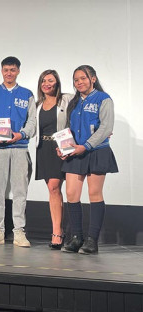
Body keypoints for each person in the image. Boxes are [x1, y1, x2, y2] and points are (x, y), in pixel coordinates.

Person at [60, 65, 118, 255]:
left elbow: (105, 128)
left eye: (83, 78)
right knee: (71, 194)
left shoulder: (104, 99)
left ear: (93, 78)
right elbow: (68, 128)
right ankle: (77, 238)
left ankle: (92, 241)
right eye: (76, 80)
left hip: (96, 151)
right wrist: (63, 147)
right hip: (75, 152)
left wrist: (85, 146)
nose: (79, 82)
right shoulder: (74, 102)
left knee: (94, 193)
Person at [0, 56, 36, 247]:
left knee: (20, 192)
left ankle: (19, 232)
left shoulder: (27, 94)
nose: (9, 73)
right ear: (1, 71)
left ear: (18, 71)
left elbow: (32, 121)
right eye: (6, 70)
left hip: (19, 149)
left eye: (12, 70)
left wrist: (21, 134)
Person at [35, 70, 73, 249]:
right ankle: (59, 230)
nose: (46, 83)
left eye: (50, 80)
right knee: (53, 191)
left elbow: (83, 113)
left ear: (57, 83)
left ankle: (57, 233)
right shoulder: (37, 104)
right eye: (43, 80)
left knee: (54, 187)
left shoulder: (67, 99)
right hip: (43, 149)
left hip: (60, 147)